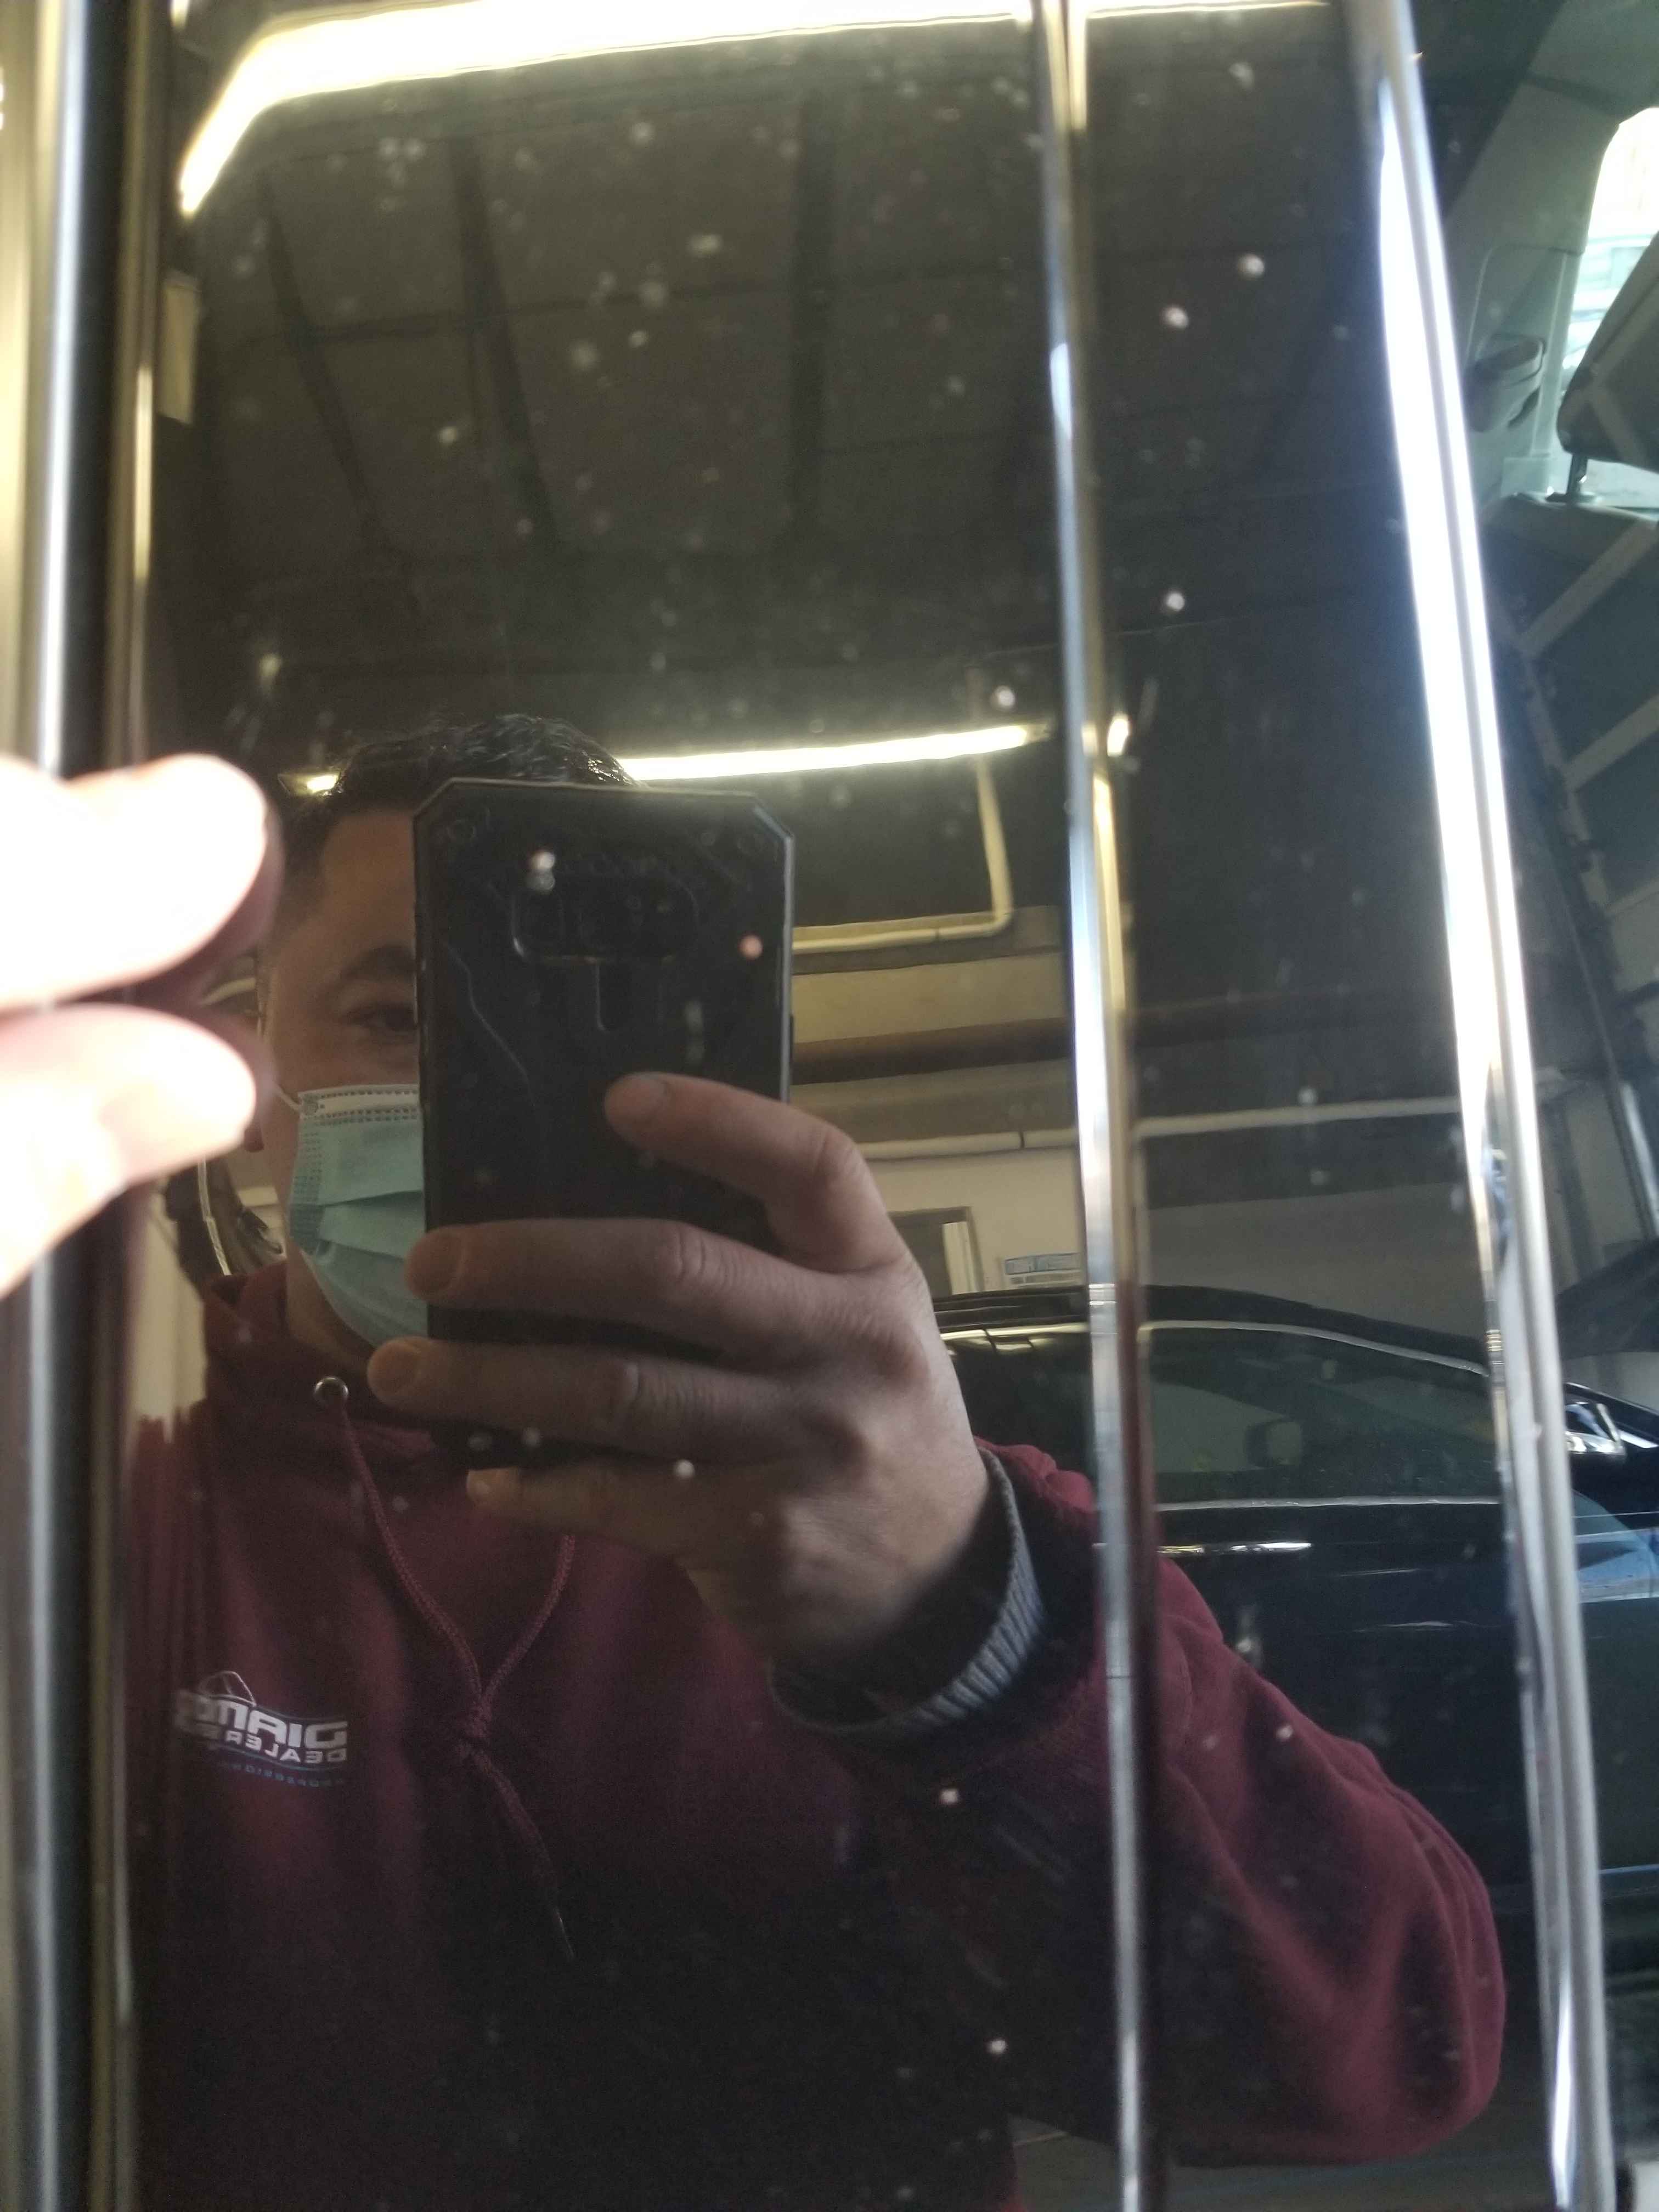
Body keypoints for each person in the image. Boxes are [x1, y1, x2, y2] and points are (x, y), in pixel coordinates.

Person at [7, 724, 1504, 2211]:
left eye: (591, 1028)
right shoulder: (89, 1490)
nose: (476, 1093)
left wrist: (956, 1629)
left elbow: (1390, 2055)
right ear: (258, 1068)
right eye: (399, 1017)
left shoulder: (897, 1511)